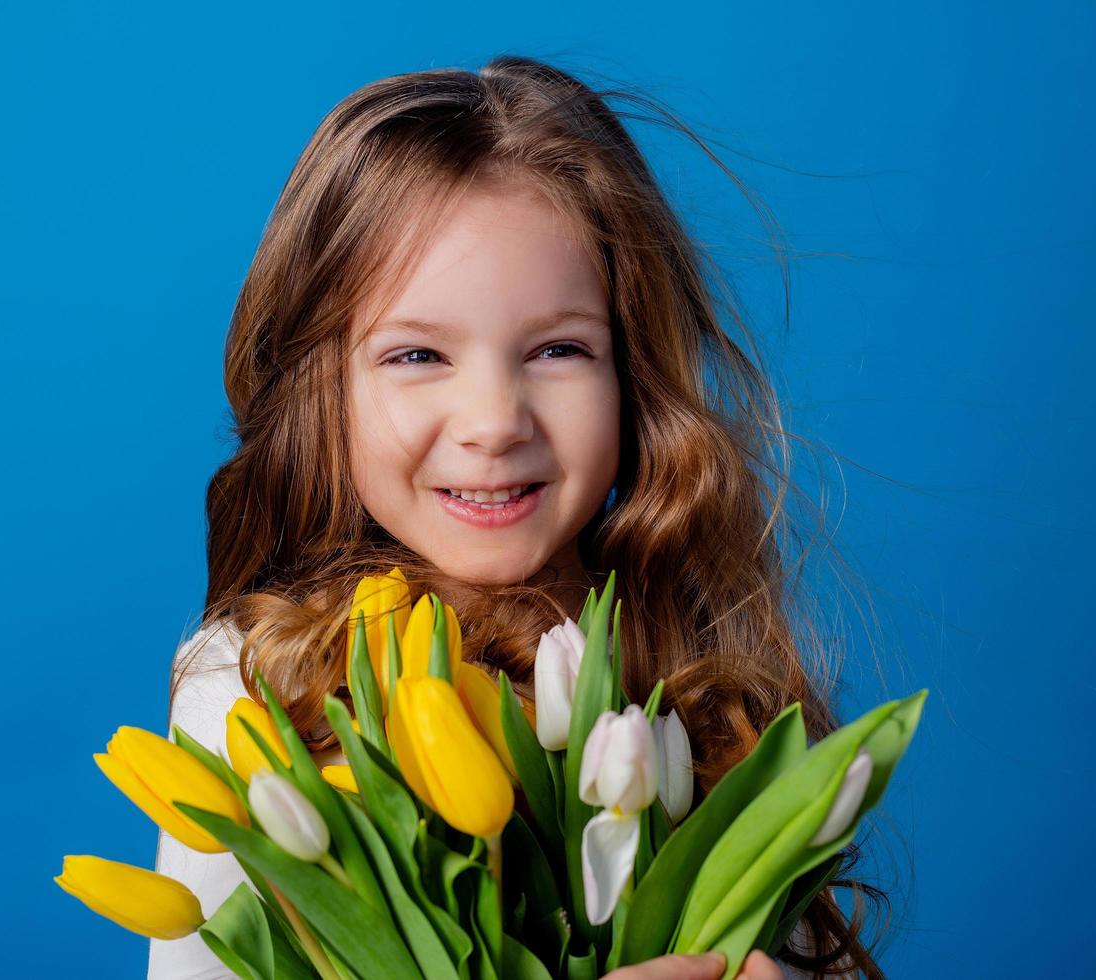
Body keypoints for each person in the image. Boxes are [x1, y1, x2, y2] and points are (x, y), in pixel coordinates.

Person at [149, 55, 892, 980]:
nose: (496, 423)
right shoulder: (257, 691)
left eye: (558, 348)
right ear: (321, 389)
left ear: (633, 375)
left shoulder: (697, 678)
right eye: (418, 354)